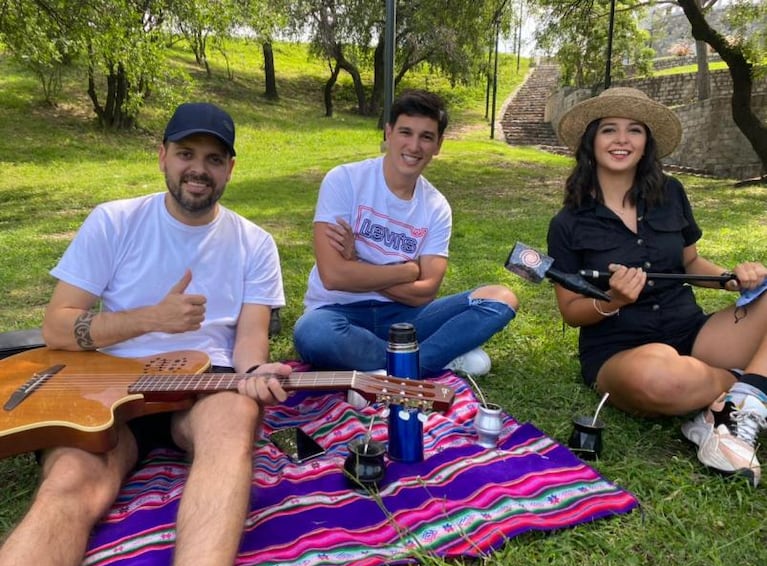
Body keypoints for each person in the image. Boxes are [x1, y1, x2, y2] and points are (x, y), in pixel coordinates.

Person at [0, 102, 291, 566]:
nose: (198, 169)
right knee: (70, 481)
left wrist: (255, 373)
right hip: (106, 387)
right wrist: (149, 319)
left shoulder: (255, 242)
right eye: (186, 153)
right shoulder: (114, 222)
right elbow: (57, 325)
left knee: (236, 417)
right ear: (162, 156)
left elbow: (250, 341)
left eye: (214, 159)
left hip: (204, 385)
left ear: (230, 169)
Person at [547, 86, 767, 486]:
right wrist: (614, 300)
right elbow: (571, 310)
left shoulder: (671, 194)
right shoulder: (568, 223)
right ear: (591, 140)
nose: (621, 140)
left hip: (691, 331)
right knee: (661, 380)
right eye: (609, 129)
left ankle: (729, 405)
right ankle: (747, 389)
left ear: (646, 142)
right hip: (621, 350)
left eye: (634, 130)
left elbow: (690, 262)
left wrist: (732, 279)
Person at [293, 89, 519, 378]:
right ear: (388, 133)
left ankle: (385, 370)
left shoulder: (436, 206)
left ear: (438, 145)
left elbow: (426, 292)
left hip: (406, 318)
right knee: (312, 333)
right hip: (338, 313)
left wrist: (357, 263)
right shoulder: (345, 180)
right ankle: (433, 358)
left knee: (500, 298)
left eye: (426, 137)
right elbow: (334, 276)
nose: (414, 146)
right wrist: (406, 271)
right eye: (405, 132)